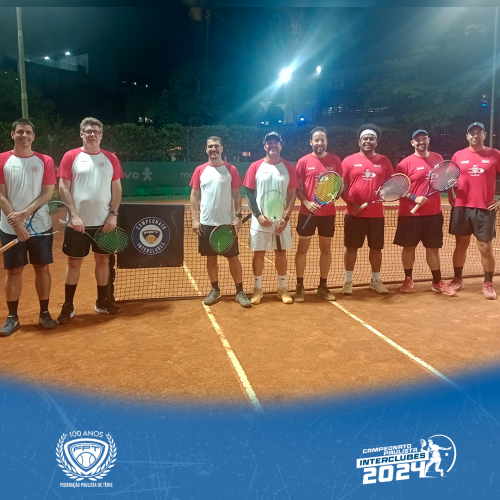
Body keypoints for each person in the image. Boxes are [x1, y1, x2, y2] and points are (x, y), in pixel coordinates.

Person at [57, 117, 123, 323]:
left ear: (101, 135)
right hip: (77, 224)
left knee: (103, 261)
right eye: (88, 131)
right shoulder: (71, 156)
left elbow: (117, 189)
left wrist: (113, 214)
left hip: (105, 224)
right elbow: (63, 188)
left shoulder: (111, 158)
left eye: (96, 131)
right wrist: (74, 216)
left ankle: (102, 302)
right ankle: (68, 306)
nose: (92, 134)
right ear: (81, 134)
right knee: (74, 263)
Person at [0, 118, 58, 335]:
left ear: (33, 136)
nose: (24, 135)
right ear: (12, 134)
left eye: (28, 132)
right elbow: (1, 195)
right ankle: (12, 318)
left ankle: (44, 313)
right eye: (20, 132)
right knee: (13, 271)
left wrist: (24, 214)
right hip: (10, 227)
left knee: (42, 268)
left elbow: (47, 193)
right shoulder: (2, 160)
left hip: (40, 226)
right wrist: (16, 224)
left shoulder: (45, 161)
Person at [190, 136, 252, 308]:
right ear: (206, 149)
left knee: (233, 258)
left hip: (227, 224)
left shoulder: (231, 169)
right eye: (210, 146)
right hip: (206, 223)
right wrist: (195, 219)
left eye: (216, 146)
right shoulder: (199, 170)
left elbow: (237, 195)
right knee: (211, 259)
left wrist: (238, 217)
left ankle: (239, 291)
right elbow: (194, 196)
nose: (213, 149)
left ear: (222, 149)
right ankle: (215, 289)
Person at [394, 129, 456, 296]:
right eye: (417, 139)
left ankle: (437, 282)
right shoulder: (404, 163)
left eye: (424, 138)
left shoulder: (438, 158)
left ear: (428, 140)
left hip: (433, 213)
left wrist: (451, 195)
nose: (421, 141)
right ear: (412, 143)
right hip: (410, 214)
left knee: (433, 249)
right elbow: (398, 188)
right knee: (408, 248)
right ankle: (408, 279)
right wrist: (414, 197)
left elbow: (444, 180)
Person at [244, 132, 298, 304]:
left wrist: (286, 218)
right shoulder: (255, 166)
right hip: (260, 220)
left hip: (281, 220)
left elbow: (292, 194)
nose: (272, 145)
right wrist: (258, 215)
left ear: (281, 145)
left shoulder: (288, 167)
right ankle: (257, 290)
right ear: (264, 145)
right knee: (259, 254)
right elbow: (249, 194)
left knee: (281, 253)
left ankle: (282, 289)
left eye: (276, 142)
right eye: (269, 142)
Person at [448, 122, 500, 299]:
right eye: (472, 133)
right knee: (460, 246)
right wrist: (451, 195)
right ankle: (458, 279)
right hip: (462, 208)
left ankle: (488, 283)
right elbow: (449, 178)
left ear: (484, 134)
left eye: (479, 132)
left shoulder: (495, 154)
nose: (475, 135)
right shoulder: (458, 155)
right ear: (467, 136)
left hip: (484, 209)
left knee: (485, 247)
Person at [341, 124, 393, 295]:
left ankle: (376, 281)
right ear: (359, 141)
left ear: (376, 142)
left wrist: (385, 194)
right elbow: (342, 187)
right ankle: (348, 281)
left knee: (376, 249)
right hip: (353, 214)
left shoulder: (384, 161)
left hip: (376, 215)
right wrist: (350, 203)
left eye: (371, 139)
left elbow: (391, 185)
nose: (368, 141)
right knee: (351, 248)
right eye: (365, 138)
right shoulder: (348, 161)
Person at [294, 127, 342, 302]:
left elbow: (339, 184)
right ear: (311, 142)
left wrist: (334, 195)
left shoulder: (335, 160)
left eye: (322, 139)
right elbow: (297, 188)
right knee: (302, 249)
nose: (319, 142)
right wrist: (307, 202)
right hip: (306, 213)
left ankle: (323, 285)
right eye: (316, 140)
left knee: (326, 249)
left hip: (328, 214)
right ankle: (300, 286)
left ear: (326, 141)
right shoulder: (303, 161)